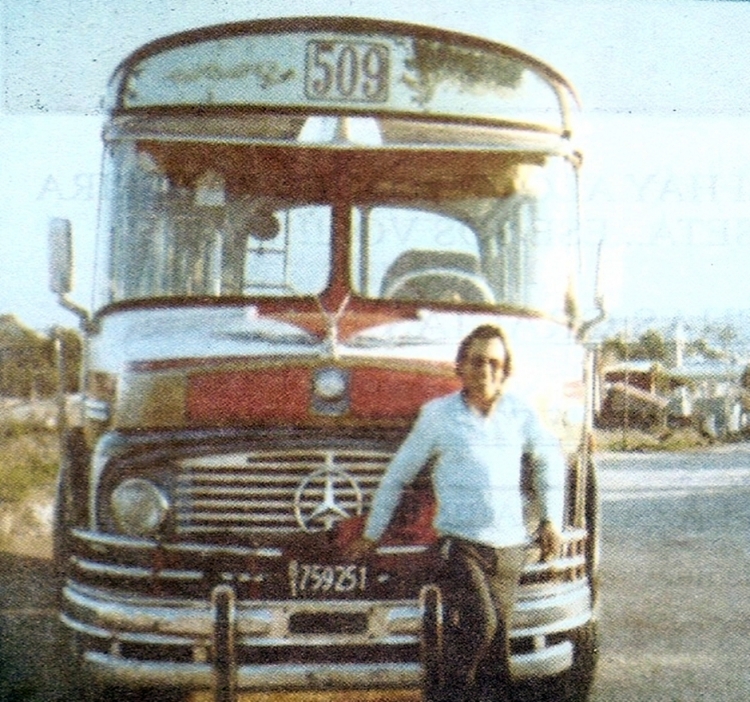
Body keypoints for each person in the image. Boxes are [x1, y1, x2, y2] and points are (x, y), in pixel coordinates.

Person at [345, 323, 565, 702]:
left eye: (496, 363)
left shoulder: (520, 413)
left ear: (506, 371)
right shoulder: (438, 416)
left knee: (498, 653)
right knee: (482, 623)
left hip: (509, 549)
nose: (486, 371)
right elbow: (399, 474)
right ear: (460, 367)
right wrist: (372, 531)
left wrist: (551, 520)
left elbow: (550, 460)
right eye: (477, 361)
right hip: (461, 546)